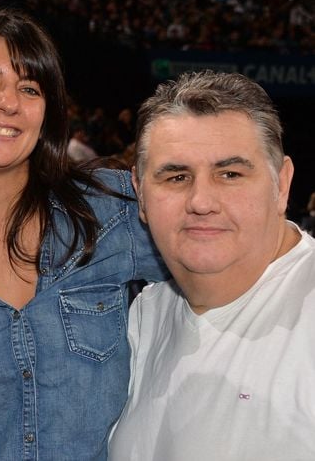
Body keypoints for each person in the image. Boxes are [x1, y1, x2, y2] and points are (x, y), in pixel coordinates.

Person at [0, 6, 166, 460]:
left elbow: (222, 268)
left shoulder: (111, 212)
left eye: (29, 88)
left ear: (47, 114)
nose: (8, 102)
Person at [109, 71, 315, 460]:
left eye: (230, 174)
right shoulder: (144, 315)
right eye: (175, 176)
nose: (201, 201)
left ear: (282, 185)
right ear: (139, 194)